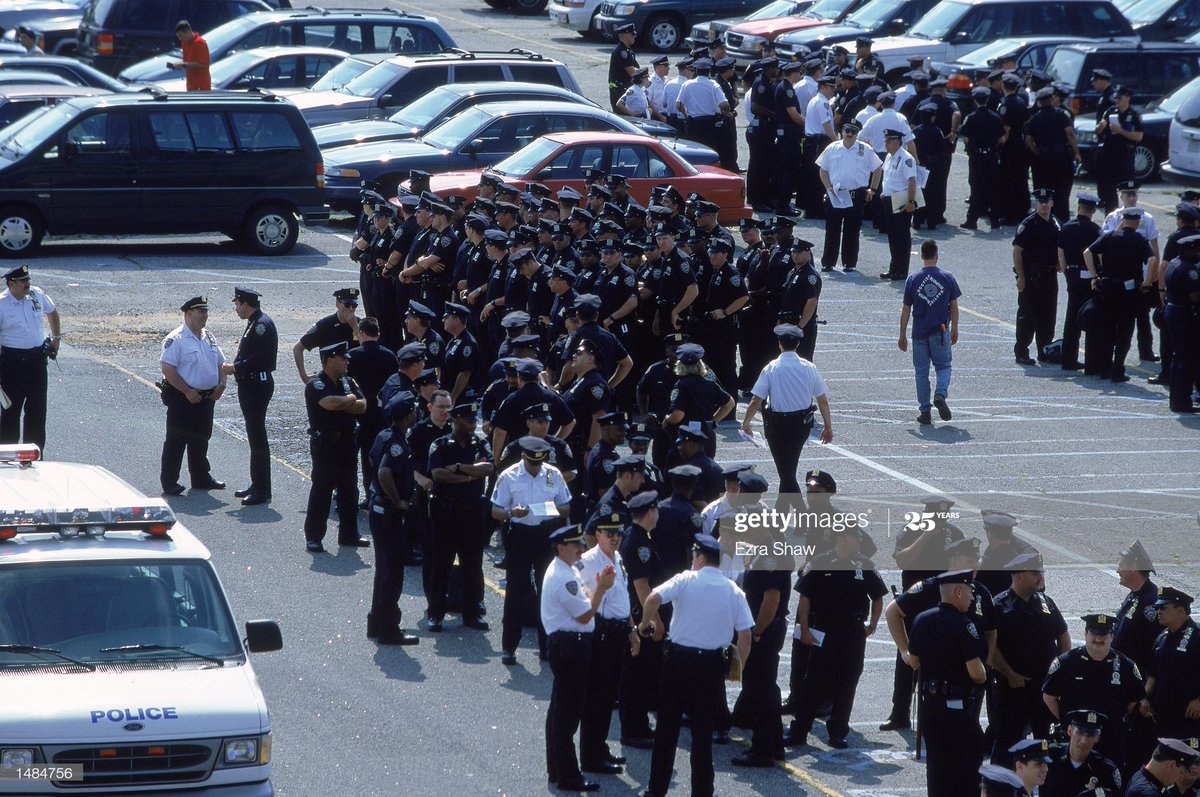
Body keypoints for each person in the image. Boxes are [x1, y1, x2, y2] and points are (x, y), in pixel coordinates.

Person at [638, 533, 754, 797]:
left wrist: (645, 624)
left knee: (667, 730)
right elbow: (745, 635)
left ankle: (656, 790)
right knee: (702, 737)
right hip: (711, 666)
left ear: (699, 557)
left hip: (678, 661)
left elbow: (653, 598)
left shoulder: (685, 580)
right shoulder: (733, 590)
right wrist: (738, 667)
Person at [784, 526, 887, 749]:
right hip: (825, 632)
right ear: (841, 538)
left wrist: (873, 624)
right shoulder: (820, 562)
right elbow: (805, 598)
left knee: (847, 683)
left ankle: (838, 732)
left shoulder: (864, 565)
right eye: (855, 537)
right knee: (813, 683)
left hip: (852, 634)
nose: (860, 541)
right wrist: (804, 629)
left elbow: (878, 597)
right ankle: (799, 730)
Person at [542, 523, 616, 793]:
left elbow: (583, 600)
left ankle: (556, 770)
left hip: (568, 645)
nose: (581, 549)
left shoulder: (566, 569)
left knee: (559, 711)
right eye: (576, 545)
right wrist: (603, 588)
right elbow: (585, 615)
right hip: (571, 647)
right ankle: (568, 776)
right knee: (567, 716)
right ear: (561, 547)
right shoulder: (564, 576)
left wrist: (595, 588)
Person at [905, 570, 989, 797]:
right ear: (958, 592)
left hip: (930, 706)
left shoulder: (922, 619)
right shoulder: (965, 625)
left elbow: (914, 661)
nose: (972, 598)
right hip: (957, 707)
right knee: (967, 766)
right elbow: (976, 673)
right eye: (970, 593)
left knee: (937, 767)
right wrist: (984, 675)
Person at [491, 436, 573, 666]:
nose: (536, 468)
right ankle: (509, 647)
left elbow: (567, 505)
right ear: (524, 457)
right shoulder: (509, 476)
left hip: (546, 535)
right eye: (532, 463)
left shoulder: (553, 474)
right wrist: (510, 513)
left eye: (539, 463)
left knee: (547, 591)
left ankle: (546, 646)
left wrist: (554, 508)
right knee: (516, 591)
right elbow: (496, 510)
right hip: (520, 536)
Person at [989, 551, 1072, 765]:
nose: (1040, 578)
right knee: (1008, 743)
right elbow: (991, 647)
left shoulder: (1046, 603)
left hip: (1043, 689)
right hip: (1012, 689)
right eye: (1035, 573)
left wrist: (1058, 671)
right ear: (1018, 575)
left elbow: (1063, 635)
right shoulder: (999, 605)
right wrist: (1010, 673)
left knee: (1046, 743)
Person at [577, 512, 639, 775]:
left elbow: (623, 596)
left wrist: (633, 629)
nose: (615, 538)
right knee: (596, 697)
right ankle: (591, 757)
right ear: (598, 534)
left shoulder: (618, 557)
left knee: (606, 696)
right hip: (601, 632)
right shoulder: (589, 562)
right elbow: (581, 598)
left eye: (619, 533)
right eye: (609, 533)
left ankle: (600, 747)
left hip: (618, 631)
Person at [1042, 613, 1145, 766]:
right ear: (1085, 634)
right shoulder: (1066, 663)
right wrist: (1066, 721)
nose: (1098, 639)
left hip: (1110, 740)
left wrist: (1115, 722)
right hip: (1076, 739)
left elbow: (1133, 699)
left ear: (1111, 636)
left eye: (1103, 635)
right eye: (1094, 633)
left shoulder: (1126, 666)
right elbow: (1049, 696)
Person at [741, 324, 832, 496]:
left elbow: (755, 400)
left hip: (778, 427)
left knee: (786, 472)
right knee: (788, 469)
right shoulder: (809, 367)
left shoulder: (771, 368)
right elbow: (823, 400)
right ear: (797, 344)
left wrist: (746, 423)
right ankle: (782, 511)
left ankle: (800, 515)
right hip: (801, 426)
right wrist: (828, 427)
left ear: (779, 343)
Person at [427, 402, 494, 632]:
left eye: (474, 419)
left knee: (473, 566)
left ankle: (472, 613)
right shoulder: (441, 444)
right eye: (468, 419)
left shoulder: (480, 443)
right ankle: (436, 613)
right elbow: (438, 475)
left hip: (473, 513)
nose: (473, 423)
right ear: (455, 420)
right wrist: (469, 475)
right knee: (442, 565)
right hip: (446, 512)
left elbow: (488, 468)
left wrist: (458, 468)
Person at [303, 342, 369, 553]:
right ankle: (314, 536)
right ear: (330, 360)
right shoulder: (316, 384)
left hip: (347, 444)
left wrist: (347, 401)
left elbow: (363, 405)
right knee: (322, 491)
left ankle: (349, 535)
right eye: (343, 358)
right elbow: (329, 403)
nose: (347, 361)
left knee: (350, 491)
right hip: (326, 446)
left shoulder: (348, 381)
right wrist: (349, 399)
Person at [366, 391, 420, 647]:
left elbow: (370, 459)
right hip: (389, 513)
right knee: (392, 572)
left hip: (378, 509)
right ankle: (389, 628)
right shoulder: (396, 443)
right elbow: (385, 471)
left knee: (383, 570)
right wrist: (398, 500)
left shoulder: (383, 435)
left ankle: (376, 623)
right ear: (407, 414)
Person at [159, 296, 226, 496]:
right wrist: (187, 391)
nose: (205, 316)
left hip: (206, 397)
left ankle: (201, 478)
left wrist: (221, 384)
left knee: (201, 438)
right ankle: (169, 482)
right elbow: (167, 368)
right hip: (183, 397)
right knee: (176, 440)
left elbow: (221, 363)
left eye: (206, 312)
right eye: (201, 312)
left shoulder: (209, 337)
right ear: (188, 314)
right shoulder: (176, 339)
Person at [1084, 208, 1156, 382]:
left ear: (1122, 220)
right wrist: (1147, 282)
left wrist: (1094, 276)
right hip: (1128, 292)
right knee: (1125, 331)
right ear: (1137, 222)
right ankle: (1117, 371)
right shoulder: (1139, 239)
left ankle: (1104, 369)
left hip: (1108, 290)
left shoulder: (1109, 236)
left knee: (1108, 330)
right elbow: (1152, 260)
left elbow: (1087, 252)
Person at [222, 287, 277, 506]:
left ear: (245, 303)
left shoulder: (261, 325)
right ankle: (258, 483)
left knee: (257, 437)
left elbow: (260, 358)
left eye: (237, 304)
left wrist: (235, 367)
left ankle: (262, 490)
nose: (236, 309)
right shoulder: (255, 322)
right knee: (254, 438)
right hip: (251, 385)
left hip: (256, 385)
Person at [899, 240, 961, 425]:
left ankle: (925, 410)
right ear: (936, 255)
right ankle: (940, 394)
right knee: (943, 366)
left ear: (921, 255)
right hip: (940, 331)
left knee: (921, 372)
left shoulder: (913, 279)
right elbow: (954, 306)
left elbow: (906, 309)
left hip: (919, 331)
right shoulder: (947, 277)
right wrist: (955, 328)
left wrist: (902, 334)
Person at [0, 264, 60, 451]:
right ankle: (7, 458)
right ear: (11, 284)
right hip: (11, 363)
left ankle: (34, 457)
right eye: (23, 281)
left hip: (36, 361)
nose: (27, 284)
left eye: (28, 280)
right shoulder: (1, 304)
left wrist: (56, 338)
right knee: (11, 412)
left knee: (37, 412)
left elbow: (52, 311)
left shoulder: (36, 294)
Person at [816, 119, 881, 273]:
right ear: (843, 131)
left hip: (856, 194)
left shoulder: (865, 149)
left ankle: (849, 262)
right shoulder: (832, 148)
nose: (850, 134)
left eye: (853, 131)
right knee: (832, 230)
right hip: (837, 194)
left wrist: (872, 189)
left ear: (857, 133)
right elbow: (823, 170)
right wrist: (828, 188)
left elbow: (878, 168)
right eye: (847, 130)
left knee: (852, 231)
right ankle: (828, 262)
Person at [1012, 188, 1061, 366]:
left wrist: (1059, 264)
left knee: (1048, 315)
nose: (1043, 204)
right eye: (1040, 201)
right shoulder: (1029, 224)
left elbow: (1058, 248)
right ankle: (1022, 352)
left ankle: (1044, 350)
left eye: (1046, 201)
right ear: (1036, 203)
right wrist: (1021, 277)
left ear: (1052, 203)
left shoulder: (1055, 223)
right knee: (1027, 315)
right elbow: (1017, 251)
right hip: (1032, 275)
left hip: (1049, 275)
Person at [1143, 587, 1200, 740]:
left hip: (1189, 718)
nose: (1158, 612)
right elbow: (1153, 675)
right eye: (1157, 608)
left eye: (1163, 608)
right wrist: (1144, 698)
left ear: (1180, 610)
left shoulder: (1197, 636)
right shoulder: (1162, 637)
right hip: (1162, 715)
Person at [1057, 193, 1103, 371]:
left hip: (1073, 274)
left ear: (1078, 207)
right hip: (1089, 276)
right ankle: (1092, 364)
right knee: (1091, 317)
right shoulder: (1095, 230)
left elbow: (1060, 252)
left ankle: (1068, 361)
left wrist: (1066, 270)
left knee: (1071, 319)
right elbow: (1098, 254)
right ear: (1092, 210)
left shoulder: (1066, 227)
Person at [1040, 710, 1123, 797]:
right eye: (1079, 732)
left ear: (1097, 737)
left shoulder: (1106, 770)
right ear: (1070, 731)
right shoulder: (1048, 757)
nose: (1083, 741)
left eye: (1090, 735)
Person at [1163, 233, 1200, 412]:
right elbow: (1195, 296)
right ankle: (1182, 400)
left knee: (1178, 357)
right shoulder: (1188, 269)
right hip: (1183, 314)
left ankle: (1176, 398)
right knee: (1187, 358)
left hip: (1173, 309)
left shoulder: (1174, 262)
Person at [959, 86, 1004, 231]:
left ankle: (972, 220)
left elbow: (965, 137)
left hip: (977, 156)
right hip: (991, 155)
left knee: (976, 188)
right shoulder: (995, 117)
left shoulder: (971, 118)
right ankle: (995, 220)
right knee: (993, 188)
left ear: (975, 100)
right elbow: (1001, 138)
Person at [294, 288, 360, 382]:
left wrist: (355, 327)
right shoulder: (324, 325)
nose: (350, 309)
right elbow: (298, 349)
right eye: (347, 304)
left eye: (354, 305)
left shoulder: (360, 324)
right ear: (337, 304)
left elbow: (368, 348)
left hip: (355, 380)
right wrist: (304, 377)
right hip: (332, 381)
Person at [1095, 85, 1143, 214]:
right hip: (1109, 155)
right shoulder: (1110, 111)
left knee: (1128, 189)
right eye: (1115, 98)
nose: (1116, 100)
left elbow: (1138, 136)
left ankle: (1130, 215)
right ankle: (1111, 217)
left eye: (1119, 98)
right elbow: (1098, 131)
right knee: (1109, 191)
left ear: (1128, 98)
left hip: (1125, 156)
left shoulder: (1134, 115)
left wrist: (1120, 131)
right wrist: (1100, 127)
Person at [879, 129, 920, 280]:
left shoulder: (906, 158)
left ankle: (902, 270)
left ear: (897, 142)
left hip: (901, 199)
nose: (886, 144)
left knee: (901, 236)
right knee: (892, 235)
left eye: (888, 141)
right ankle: (894, 267)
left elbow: (912, 181)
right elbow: (888, 177)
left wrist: (911, 201)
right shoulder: (890, 157)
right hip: (889, 199)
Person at [1126, 739, 1200, 797]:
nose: (1178, 778)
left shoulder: (1141, 776)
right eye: (1181, 772)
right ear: (1171, 765)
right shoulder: (1148, 793)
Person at [168, 20, 211, 91]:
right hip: (191, 84)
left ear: (187, 31)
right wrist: (179, 65)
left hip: (201, 85)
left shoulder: (199, 43)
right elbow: (187, 62)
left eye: (180, 36)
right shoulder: (184, 44)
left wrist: (183, 64)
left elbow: (202, 64)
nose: (179, 39)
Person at [609, 23, 640, 110]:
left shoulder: (628, 51)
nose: (635, 36)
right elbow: (633, 73)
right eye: (633, 34)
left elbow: (638, 69)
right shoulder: (621, 52)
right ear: (626, 35)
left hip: (626, 90)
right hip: (619, 91)